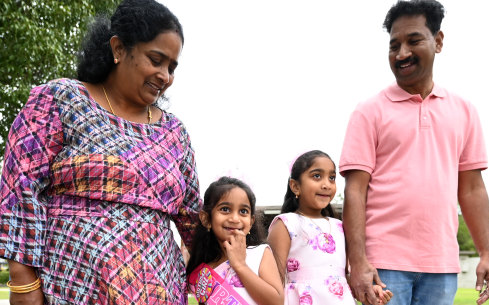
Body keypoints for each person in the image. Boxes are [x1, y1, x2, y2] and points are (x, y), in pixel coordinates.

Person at [0, 0, 202, 304]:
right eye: (156, 59)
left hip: (161, 292)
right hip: (71, 290)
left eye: (171, 67)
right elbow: (19, 192)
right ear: (119, 48)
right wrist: (24, 284)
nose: (164, 75)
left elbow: (191, 219)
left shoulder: (175, 133)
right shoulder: (61, 100)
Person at [339, 1, 489, 305]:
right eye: (394, 45)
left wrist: (487, 255)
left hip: (441, 265)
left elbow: (473, 189)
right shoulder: (368, 112)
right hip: (383, 263)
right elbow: (355, 192)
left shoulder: (464, 111)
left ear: (438, 41)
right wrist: (357, 260)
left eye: (413, 41)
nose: (401, 54)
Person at [267, 150, 393, 305]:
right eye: (317, 176)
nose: (326, 184)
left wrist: (368, 294)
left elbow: (341, 277)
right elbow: (274, 281)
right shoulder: (285, 224)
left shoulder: (340, 227)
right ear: (295, 186)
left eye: (332, 178)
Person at [186, 176, 283, 305]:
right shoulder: (204, 271)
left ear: (251, 221)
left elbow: (276, 302)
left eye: (243, 211)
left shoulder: (260, 254)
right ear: (206, 219)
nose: (235, 218)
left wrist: (240, 265)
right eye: (225, 209)